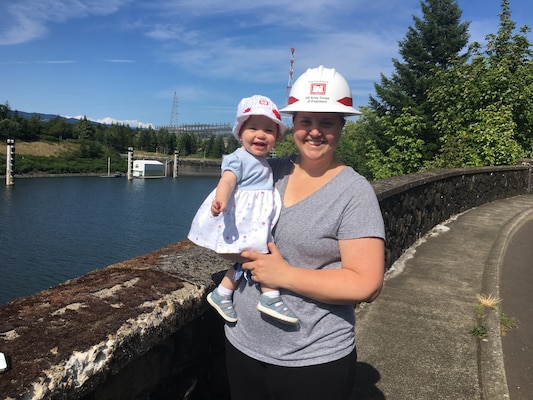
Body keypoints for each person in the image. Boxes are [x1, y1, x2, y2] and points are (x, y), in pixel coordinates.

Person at [224, 66, 386, 400]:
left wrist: (283, 275)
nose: (314, 132)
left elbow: (365, 284)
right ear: (292, 126)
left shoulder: (354, 192)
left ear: (342, 126)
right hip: (242, 344)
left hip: (312, 359)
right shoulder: (269, 172)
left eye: (326, 122)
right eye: (305, 121)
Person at [188, 95, 298, 325]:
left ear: (276, 138)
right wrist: (220, 199)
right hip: (243, 219)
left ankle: (223, 293)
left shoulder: (265, 161)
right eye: (253, 128)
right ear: (240, 133)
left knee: (247, 259)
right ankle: (270, 296)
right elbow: (227, 180)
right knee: (261, 257)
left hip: (256, 220)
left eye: (269, 130)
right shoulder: (238, 157)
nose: (260, 134)